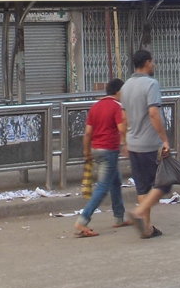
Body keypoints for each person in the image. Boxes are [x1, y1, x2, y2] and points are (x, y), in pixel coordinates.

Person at [73, 78, 133, 238]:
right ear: (118, 92)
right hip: (109, 150)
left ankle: (119, 217)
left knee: (115, 181)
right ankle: (83, 220)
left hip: (96, 149)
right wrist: (125, 144)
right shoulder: (116, 107)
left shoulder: (95, 106)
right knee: (102, 187)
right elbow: (121, 128)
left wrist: (86, 152)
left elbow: (87, 133)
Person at [124, 49, 170, 239]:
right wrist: (164, 139)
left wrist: (124, 141)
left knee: (143, 187)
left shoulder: (126, 85)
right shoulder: (151, 84)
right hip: (149, 144)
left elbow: (122, 116)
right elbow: (153, 113)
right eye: (153, 62)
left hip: (133, 142)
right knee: (164, 183)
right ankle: (138, 213)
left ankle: (147, 227)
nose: (154, 65)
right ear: (147, 62)